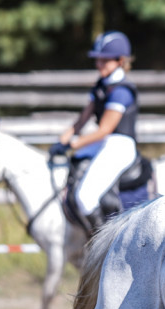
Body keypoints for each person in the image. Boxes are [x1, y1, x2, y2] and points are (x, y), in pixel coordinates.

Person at [50, 31, 139, 233]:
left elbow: (104, 129)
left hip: (120, 145)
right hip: (104, 142)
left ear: (120, 61)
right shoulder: (101, 85)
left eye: (104, 61)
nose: (99, 64)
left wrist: (72, 144)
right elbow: (82, 120)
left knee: (86, 197)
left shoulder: (121, 91)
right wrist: (62, 139)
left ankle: (103, 245)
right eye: (98, 60)